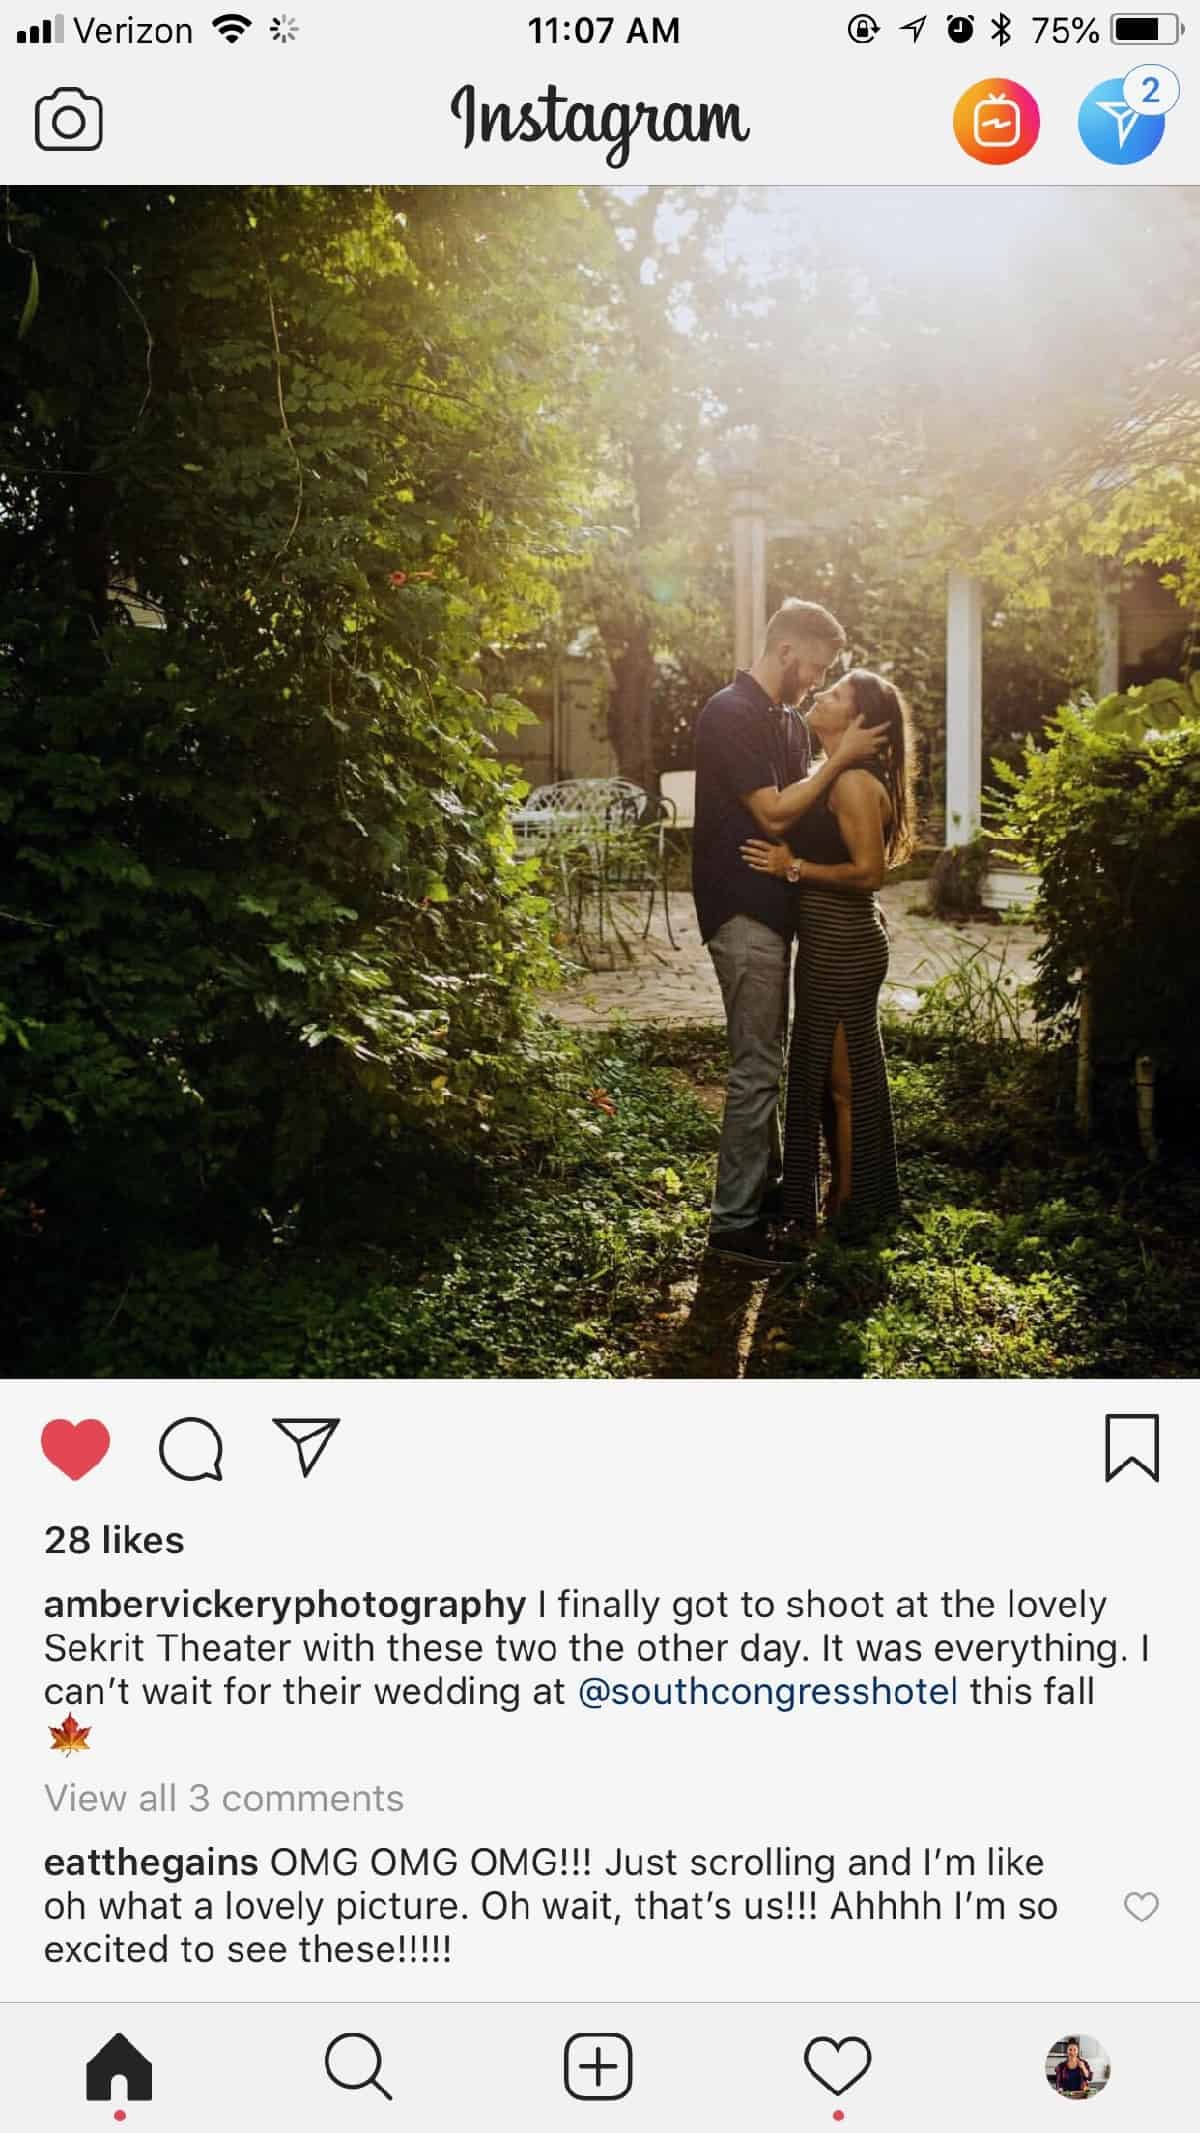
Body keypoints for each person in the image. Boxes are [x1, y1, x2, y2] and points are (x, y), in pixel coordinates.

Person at [693, 601, 887, 1268]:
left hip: (778, 914)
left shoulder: (784, 723)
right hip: (741, 909)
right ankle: (733, 1225)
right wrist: (842, 761)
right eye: (817, 668)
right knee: (755, 1068)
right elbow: (775, 815)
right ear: (785, 653)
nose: (816, 680)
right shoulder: (730, 713)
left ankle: (767, 1195)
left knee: (768, 1063)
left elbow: (811, 814)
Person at [741, 667, 913, 1234]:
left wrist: (792, 867)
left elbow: (870, 873)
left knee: (843, 1085)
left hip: (845, 944)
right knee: (822, 1078)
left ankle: (848, 1207)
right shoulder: (833, 774)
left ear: (861, 720)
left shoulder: (855, 783)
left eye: (837, 693)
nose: (820, 694)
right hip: (826, 941)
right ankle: (843, 1198)